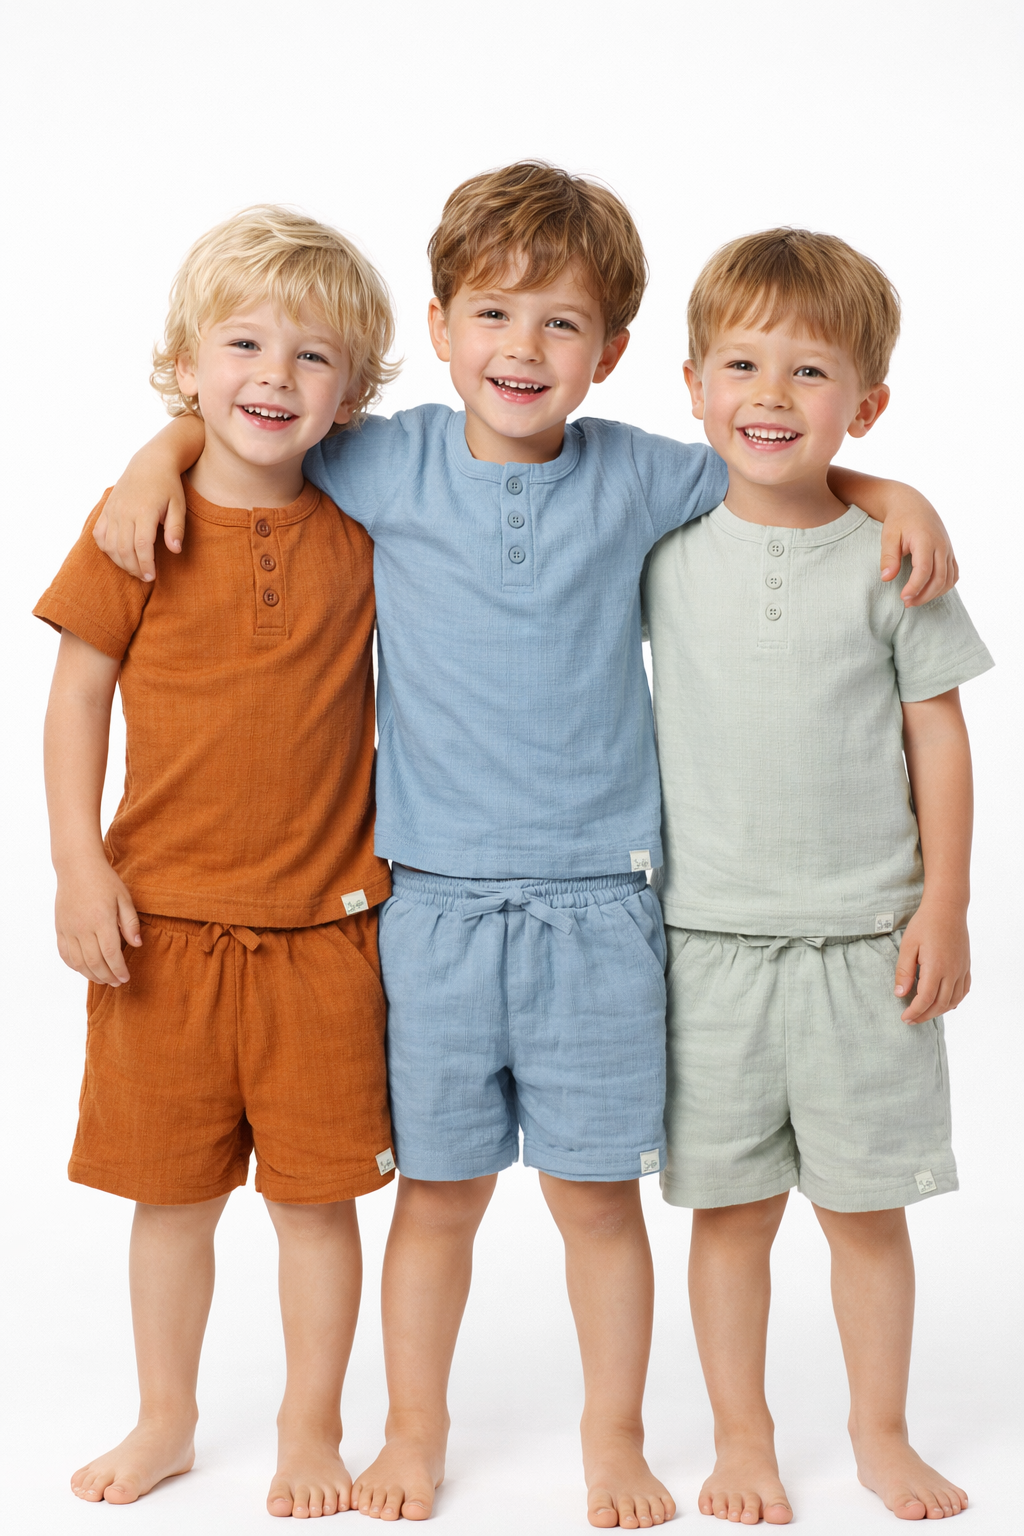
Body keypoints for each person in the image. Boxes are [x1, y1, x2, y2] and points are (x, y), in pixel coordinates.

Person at [92, 163, 958, 1530]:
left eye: (562, 326)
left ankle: (613, 1439)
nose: (524, 350)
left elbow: (774, 453)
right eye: (494, 316)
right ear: (437, 330)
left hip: (605, 913)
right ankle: (415, 1433)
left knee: (596, 1202)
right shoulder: (385, 459)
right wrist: (152, 454)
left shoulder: (644, 477)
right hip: (425, 909)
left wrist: (888, 486)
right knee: (434, 1201)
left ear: (614, 354)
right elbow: (245, 427)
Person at [36, 206, 399, 1519]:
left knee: (315, 1208)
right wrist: (80, 866)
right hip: (160, 933)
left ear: (351, 395)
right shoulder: (135, 523)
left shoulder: (369, 524)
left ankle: (313, 1427)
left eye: (312, 359)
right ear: (184, 365)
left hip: (326, 936)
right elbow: (76, 700)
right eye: (243, 345)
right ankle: (168, 1418)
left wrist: (170, 437)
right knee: (171, 1202)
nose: (274, 377)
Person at [643, 228, 992, 1524]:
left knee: (864, 1216)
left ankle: (880, 1435)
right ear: (691, 386)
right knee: (728, 1220)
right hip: (709, 944)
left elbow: (937, 734)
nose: (771, 397)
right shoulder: (665, 543)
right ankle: (743, 1438)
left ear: (867, 404)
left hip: (865, 946)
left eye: (808, 372)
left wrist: (943, 906)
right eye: (741, 365)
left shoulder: (895, 559)